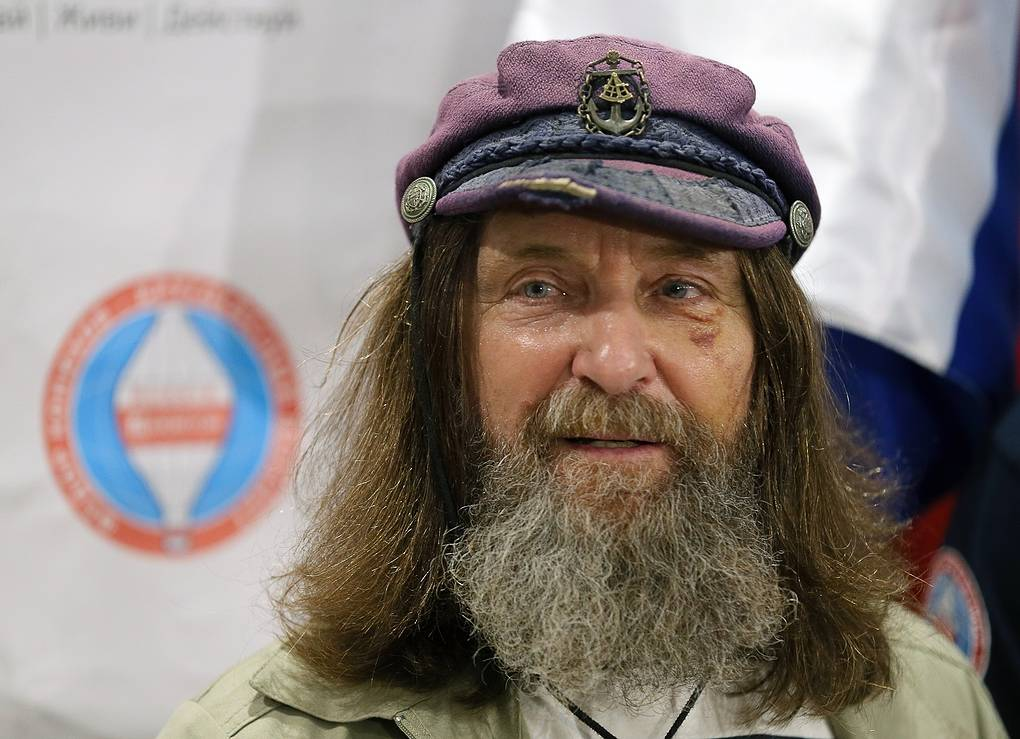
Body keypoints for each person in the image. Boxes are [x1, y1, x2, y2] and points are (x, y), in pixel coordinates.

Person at [158, 35, 1006, 738]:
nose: (614, 359)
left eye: (680, 290)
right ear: (437, 355)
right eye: (539, 288)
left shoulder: (924, 705)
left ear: (771, 364)